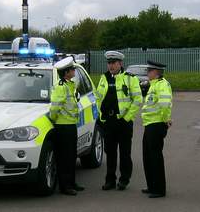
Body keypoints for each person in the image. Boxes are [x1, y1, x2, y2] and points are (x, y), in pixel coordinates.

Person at [96, 51, 142, 191]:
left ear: (120, 63)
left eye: (113, 63)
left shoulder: (130, 78)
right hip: (108, 122)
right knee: (110, 153)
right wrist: (101, 117)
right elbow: (98, 98)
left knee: (124, 153)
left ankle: (124, 180)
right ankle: (110, 180)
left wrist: (126, 118)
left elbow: (138, 99)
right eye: (109, 63)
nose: (111, 66)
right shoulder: (104, 78)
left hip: (123, 122)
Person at [50, 57, 85, 196]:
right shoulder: (60, 87)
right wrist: (54, 120)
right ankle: (65, 186)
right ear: (66, 73)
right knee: (64, 158)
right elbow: (55, 108)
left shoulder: (69, 85)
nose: (74, 70)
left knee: (71, 156)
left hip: (70, 126)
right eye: (72, 69)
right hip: (63, 127)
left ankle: (72, 182)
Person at [140, 60, 173, 198]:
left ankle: (159, 189)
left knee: (155, 157)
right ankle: (152, 185)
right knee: (147, 157)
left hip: (156, 125)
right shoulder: (154, 85)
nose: (147, 73)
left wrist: (166, 120)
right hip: (149, 125)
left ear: (156, 72)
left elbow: (165, 104)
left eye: (149, 71)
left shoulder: (162, 85)